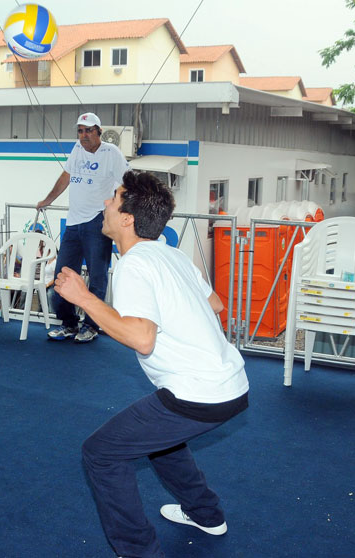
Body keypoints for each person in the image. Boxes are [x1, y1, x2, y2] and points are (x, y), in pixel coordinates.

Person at [54, 171, 249, 558]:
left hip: (198, 393)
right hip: (233, 386)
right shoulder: (170, 254)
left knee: (101, 453)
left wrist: (84, 298)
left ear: (127, 218)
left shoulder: (134, 264)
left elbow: (142, 338)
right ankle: (206, 515)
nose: (107, 203)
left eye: (114, 197)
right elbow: (215, 305)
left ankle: (138, 551)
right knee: (161, 440)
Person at [37, 112, 130, 343]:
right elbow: (66, 176)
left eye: (89, 130)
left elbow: (128, 183)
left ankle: (91, 325)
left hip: (97, 222)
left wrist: (120, 210)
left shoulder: (112, 153)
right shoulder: (76, 149)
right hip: (73, 223)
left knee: (97, 277)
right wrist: (48, 200)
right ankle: (68, 324)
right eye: (80, 130)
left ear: (99, 132)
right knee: (63, 275)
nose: (84, 135)